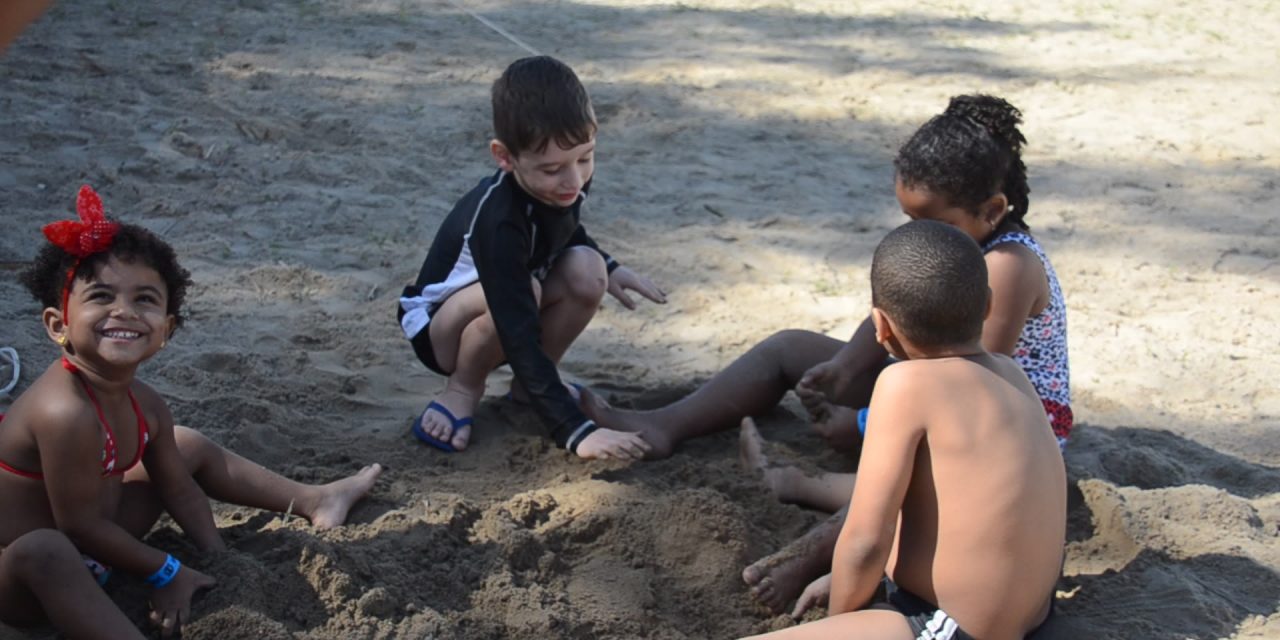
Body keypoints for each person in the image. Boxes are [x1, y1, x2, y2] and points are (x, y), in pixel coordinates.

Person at [579, 94, 1071, 611]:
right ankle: (666, 424)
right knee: (790, 348)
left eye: (932, 222)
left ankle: (807, 542)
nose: (918, 235)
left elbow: (970, 389)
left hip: (991, 436)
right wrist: (845, 368)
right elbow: (895, 305)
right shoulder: (950, 244)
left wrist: (861, 423)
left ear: (991, 210)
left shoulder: (1008, 269)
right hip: (925, 380)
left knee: (896, 488)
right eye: (909, 220)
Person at [0, 186, 382, 638]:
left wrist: (216, 563)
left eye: (144, 300)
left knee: (186, 444)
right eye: (101, 296)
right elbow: (77, 526)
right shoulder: (63, 410)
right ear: (58, 325)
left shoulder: (144, 402)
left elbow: (180, 490)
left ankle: (317, 499)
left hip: (99, 544)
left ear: (166, 329)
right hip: (26, 579)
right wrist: (165, 571)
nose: (123, 311)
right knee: (44, 549)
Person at [740, 219, 1066, 640]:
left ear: (882, 326)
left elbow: (865, 539)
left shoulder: (903, 385)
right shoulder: (1012, 373)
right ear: (987, 306)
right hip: (1035, 617)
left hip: (960, 626)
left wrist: (843, 623)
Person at [397, 55, 666, 460]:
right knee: (527, 287)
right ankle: (463, 389)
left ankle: (528, 390)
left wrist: (609, 266)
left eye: (585, 157)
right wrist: (575, 432)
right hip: (443, 329)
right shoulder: (497, 220)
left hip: (515, 299)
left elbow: (559, 227)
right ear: (504, 157)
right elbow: (517, 327)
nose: (573, 180)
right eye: (553, 168)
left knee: (587, 268)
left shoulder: (564, 179)